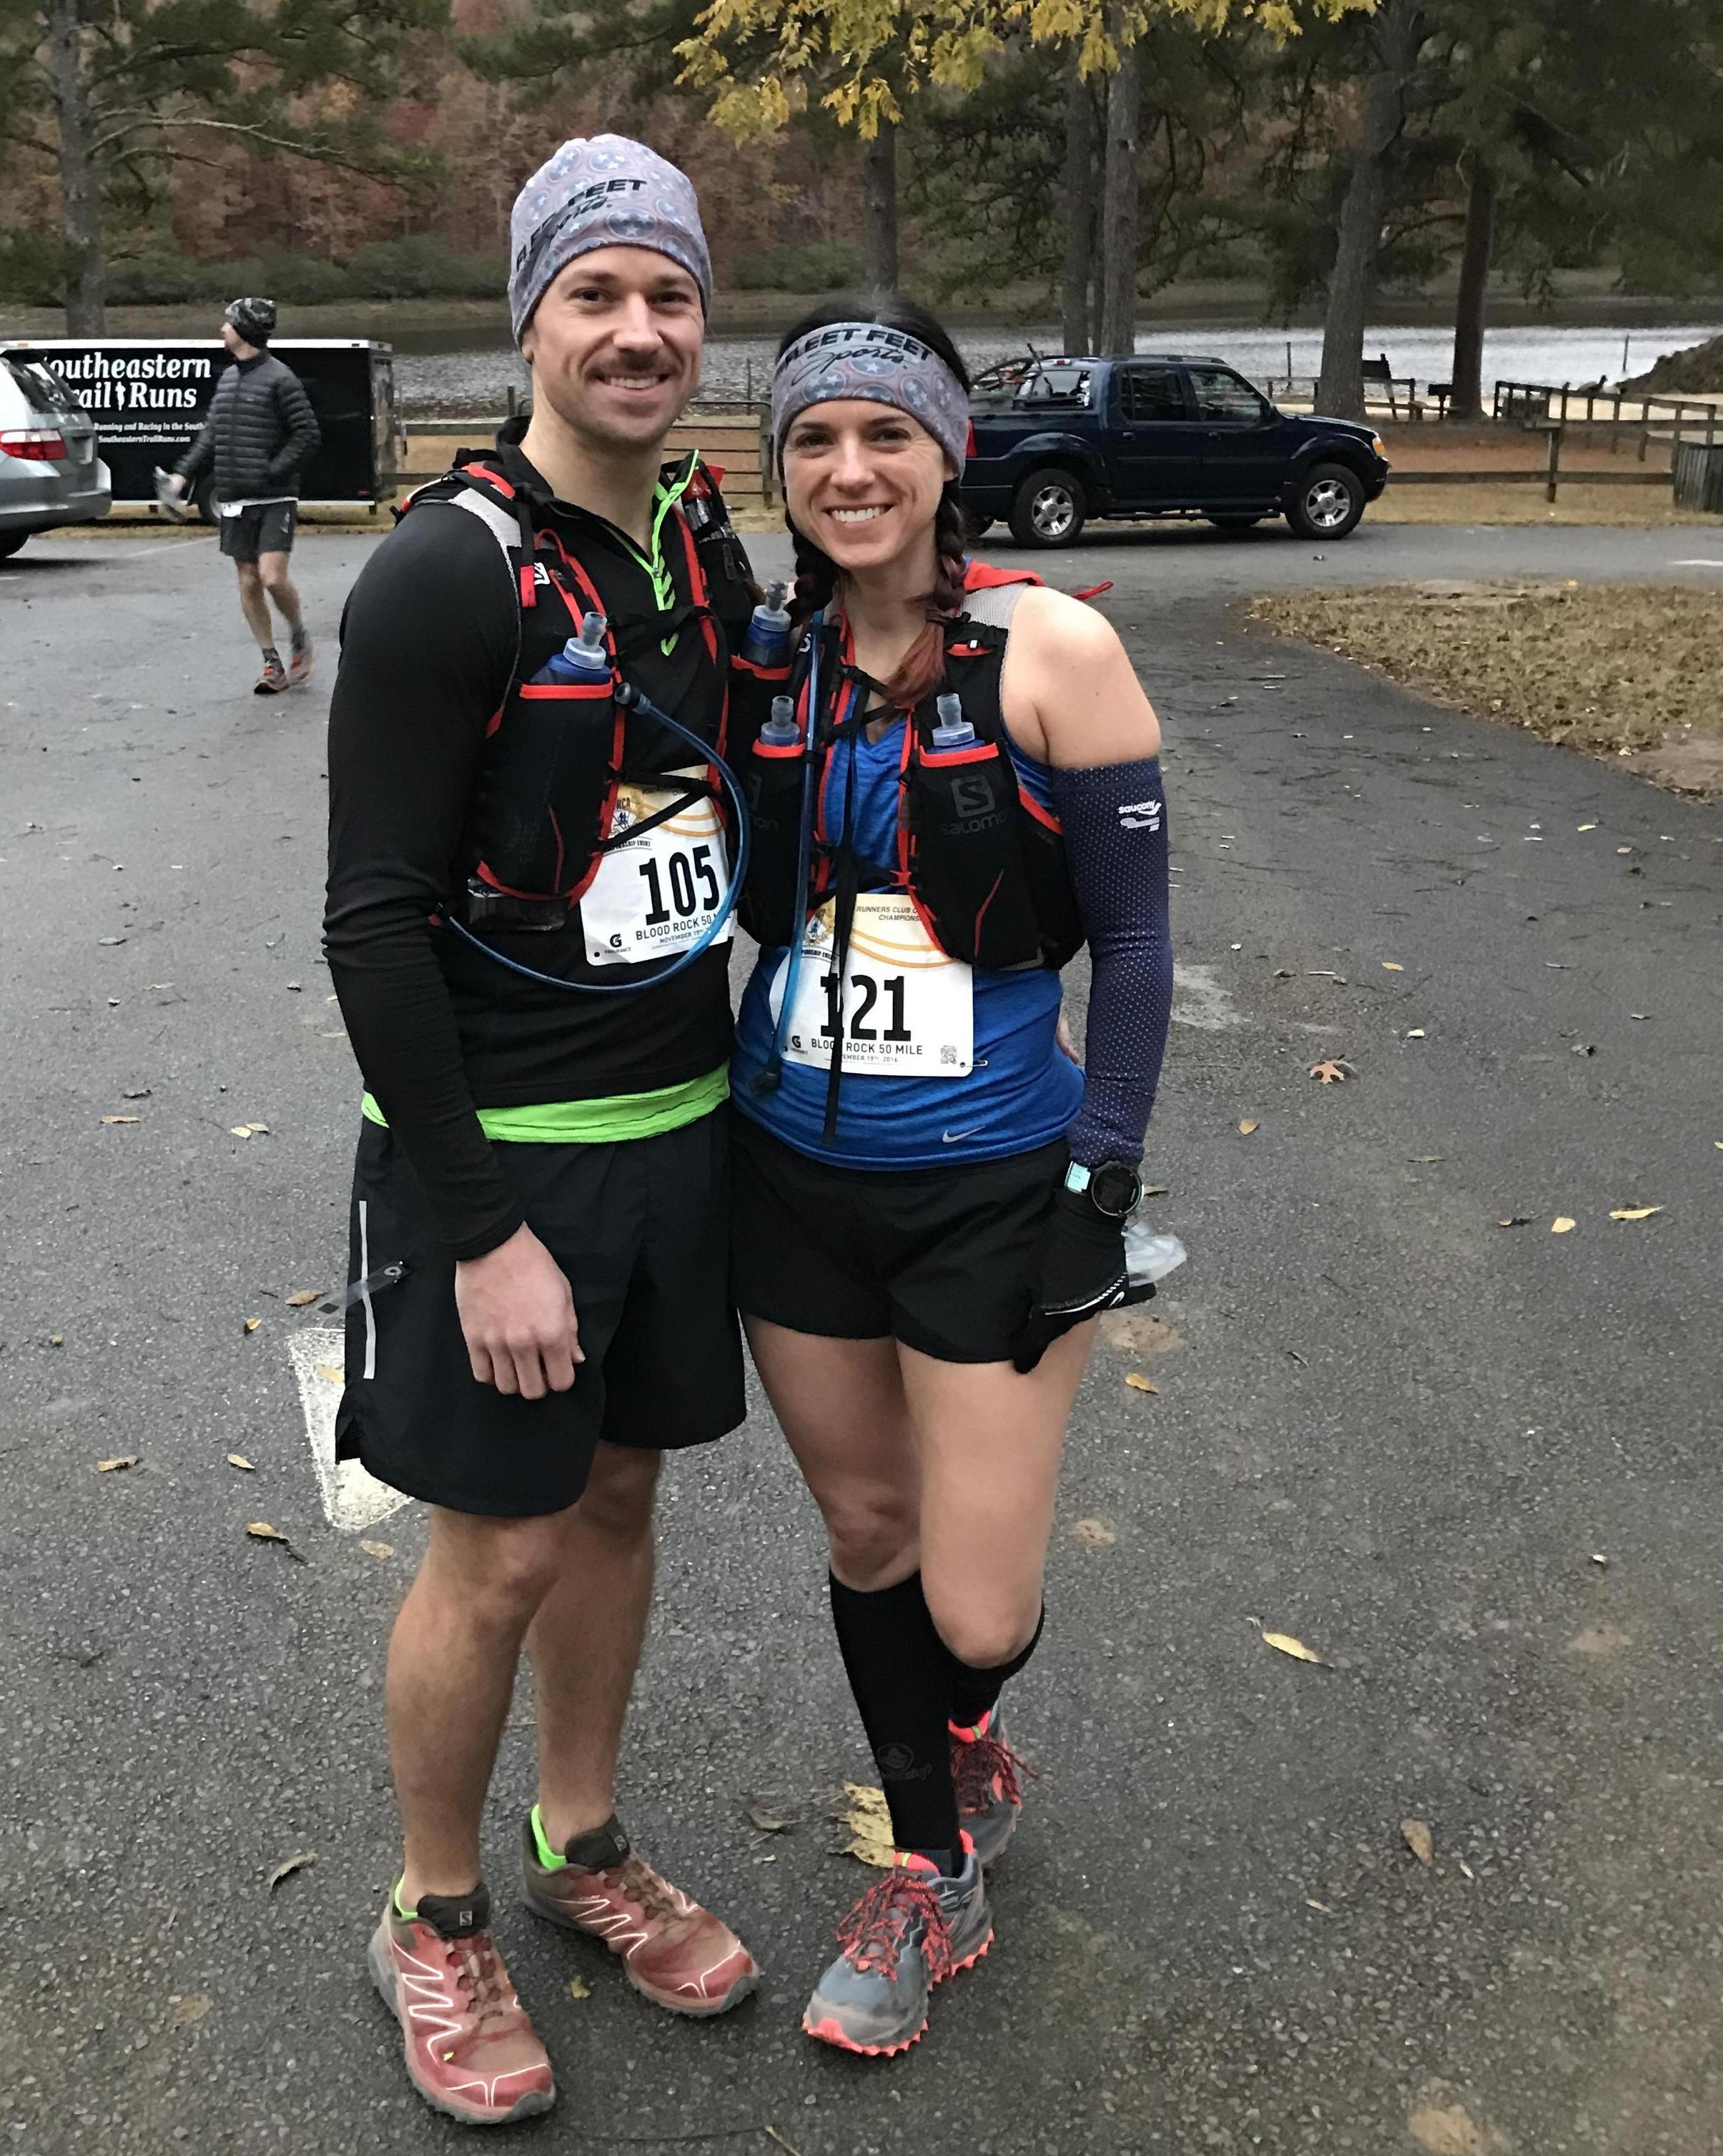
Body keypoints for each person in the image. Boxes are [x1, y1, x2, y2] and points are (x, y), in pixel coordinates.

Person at [323, 137, 764, 2127]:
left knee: (617, 1508)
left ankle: (581, 1852)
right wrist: (481, 1220)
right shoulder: (445, 571)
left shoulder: (697, 545)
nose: (641, 330)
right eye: (598, 293)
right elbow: (374, 923)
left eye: (669, 295)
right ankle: (432, 1914)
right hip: (507, 1158)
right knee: (491, 1550)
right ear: (532, 318)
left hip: (685, 1133)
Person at [724, 300, 1174, 2057]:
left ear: (942, 455)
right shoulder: (764, 658)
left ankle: (966, 1722)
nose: (849, 470)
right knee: (862, 1531)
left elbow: (1132, 950)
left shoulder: (1049, 647)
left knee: (971, 1603)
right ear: (783, 467)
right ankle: (927, 1863)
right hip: (787, 1177)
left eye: (883, 435)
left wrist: (1099, 1180)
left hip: (993, 1182)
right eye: (814, 439)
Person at [162, 296, 320, 694]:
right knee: (248, 581)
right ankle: (272, 663)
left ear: (243, 329)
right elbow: (211, 437)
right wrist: (183, 476)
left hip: (273, 498)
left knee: (271, 576)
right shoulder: (229, 379)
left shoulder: (281, 379)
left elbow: (308, 435)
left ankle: (299, 634)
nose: (222, 329)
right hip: (234, 499)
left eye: (227, 323)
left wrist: (272, 471)